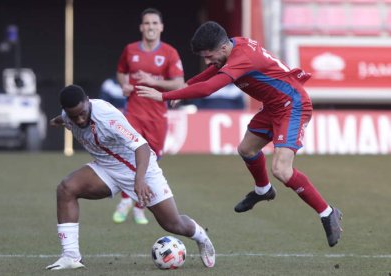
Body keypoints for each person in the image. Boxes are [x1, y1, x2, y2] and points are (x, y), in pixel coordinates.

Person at [137, 21, 343, 247]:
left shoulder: (242, 57)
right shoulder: (232, 48)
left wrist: (164, 96)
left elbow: (208, 88)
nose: (208, 61)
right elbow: (213, 70)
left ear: (223, 49)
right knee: (247, 149)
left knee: (281, 170)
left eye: (209, 55)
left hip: (293, 105)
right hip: (275, 105)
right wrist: (187, 84)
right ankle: (263, 190)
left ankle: (327, 212)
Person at [46, 85, 215, 270]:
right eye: (73, 116)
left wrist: (140, 180)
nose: (79, 119)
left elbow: (141, 146)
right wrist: (57, 120)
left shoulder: (106, 116)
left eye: (82, 113)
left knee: (172, 224)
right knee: (66, 188)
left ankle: (200, 236)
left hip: (140, 167)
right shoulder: (68, 115)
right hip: (106, 168)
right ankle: (70, 256)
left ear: (87, 100)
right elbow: (64, 118)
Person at [114, 8, 185, 225]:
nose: (151, 27)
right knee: (130, 156)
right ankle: (127, 200)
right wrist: (124, 85)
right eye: (147, 23)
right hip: (133, 113)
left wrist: (153, 81)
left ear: (161, 27)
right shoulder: (130, 50)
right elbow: (121, 71)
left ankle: (138, 207)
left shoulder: (170, 53)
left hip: (157, 117)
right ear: (141, 27)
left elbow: (179, 83)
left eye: (154, 23)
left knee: (152, 161)